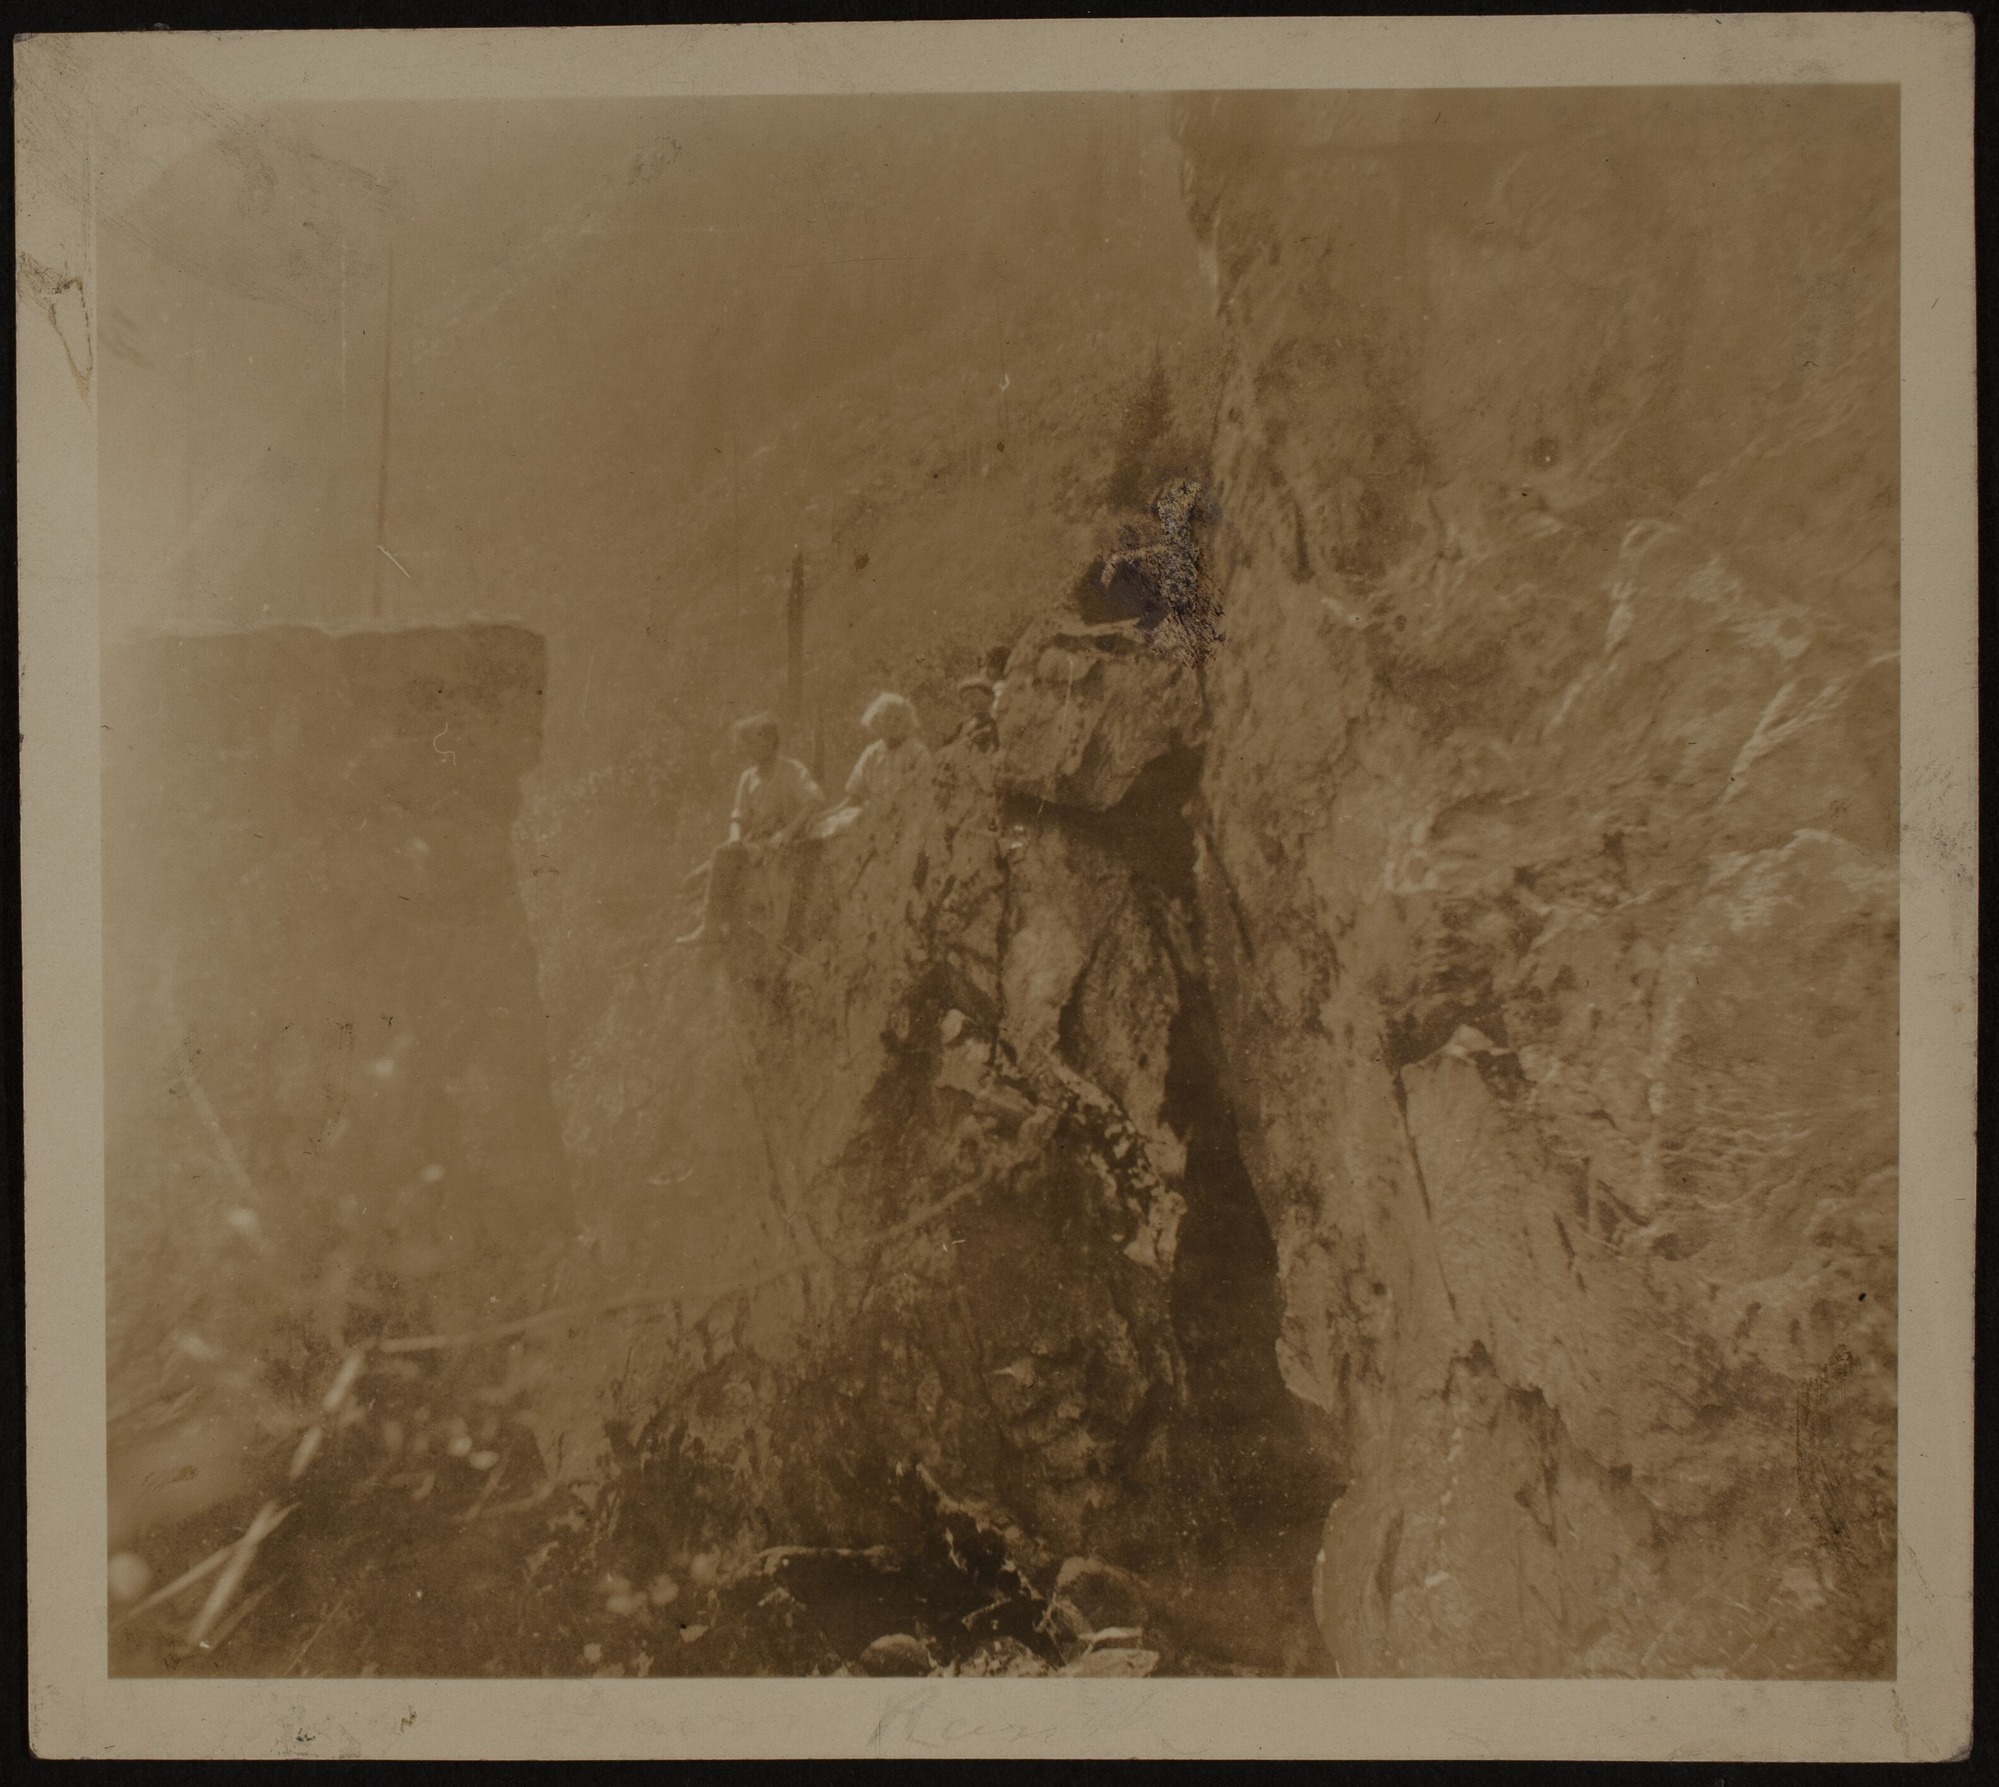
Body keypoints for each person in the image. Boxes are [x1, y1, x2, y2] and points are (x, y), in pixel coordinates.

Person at [676, 713, 823, 946]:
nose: (749, 749)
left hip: (780, 838)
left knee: (721, 856)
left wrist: (788, 832)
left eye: (754, 742)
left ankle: (711, 926)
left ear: (771, 741)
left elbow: (813, 800)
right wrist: (735, 836)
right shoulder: (747, 777)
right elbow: (738, 816)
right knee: (710, 863)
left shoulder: (792, 770)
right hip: (752, 840)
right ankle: (706, 903)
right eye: (747, 744)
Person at [947, 675, 998, 751]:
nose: (970, 702)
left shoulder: (997, 723)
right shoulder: (960, 729)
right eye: (965, 698)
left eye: (974, 695)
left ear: (990, 697)